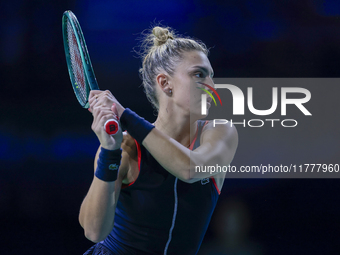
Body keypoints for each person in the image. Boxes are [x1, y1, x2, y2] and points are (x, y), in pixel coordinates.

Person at [80, 26, 238, 255]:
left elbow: (190, 169)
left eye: (211, 76)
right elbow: (94, 231)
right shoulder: (125, 147)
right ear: (165, 84)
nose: (212, 86)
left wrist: (124, 115)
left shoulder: (220, 132)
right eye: (199, 74)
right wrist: (108, 151)